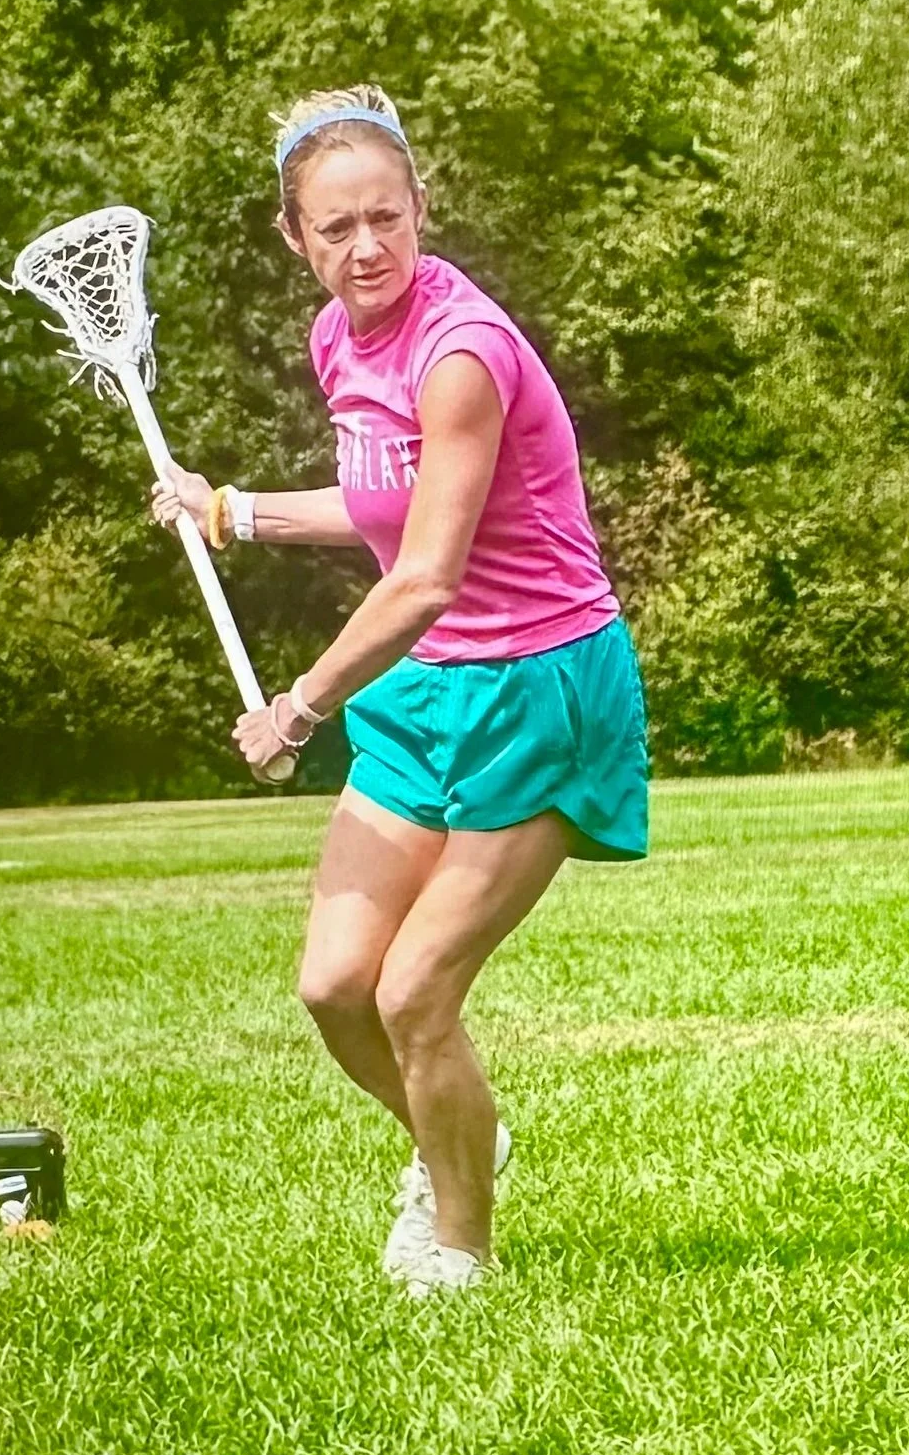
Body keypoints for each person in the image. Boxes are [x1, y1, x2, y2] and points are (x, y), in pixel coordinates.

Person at [152, 85, 648, 1296]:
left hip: (539, 688)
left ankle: (460, 1253)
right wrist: (233, 510)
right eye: (335, 228)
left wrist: (299, 705)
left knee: (416, 989)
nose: (364, 246)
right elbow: (383, 508)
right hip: (426, 692)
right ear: (296, 237)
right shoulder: (341, 339)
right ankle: (459, 1131)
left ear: (422, 207)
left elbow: (426, 573)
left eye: (386, 216)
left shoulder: (460, 353)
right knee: (333, 987)